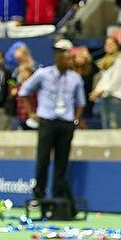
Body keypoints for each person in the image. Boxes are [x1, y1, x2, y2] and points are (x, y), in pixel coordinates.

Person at [18, 39, 84, 201]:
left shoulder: (75, 78)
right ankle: (39, 196)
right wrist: (31, 113)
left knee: (62, 162)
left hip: (66, 123)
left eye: (70, 58)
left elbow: (81, 102)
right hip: (47, 121)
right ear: (57, 58)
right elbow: (24, 91)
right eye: (66, 58)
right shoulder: (43, 74)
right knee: (43, 160)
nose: (70, 61)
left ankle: (58, 197)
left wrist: (75, 119)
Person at [91, 37, 121, 129]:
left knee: (117, 126)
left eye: (111, 44)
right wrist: (96, 91)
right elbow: (104, 80)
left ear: (116, 46)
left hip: (116, 98)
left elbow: (114, 83)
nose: (108, 46)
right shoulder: (106, 62)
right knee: (106, 126)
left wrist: (100, 92)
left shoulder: (119, 62)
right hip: (106, 98)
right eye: (106, 44)